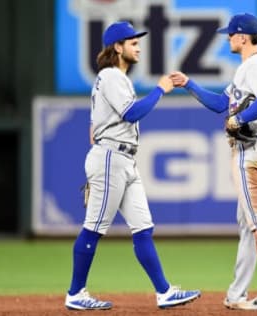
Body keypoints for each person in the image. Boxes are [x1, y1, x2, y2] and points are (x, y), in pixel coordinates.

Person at [65, 21, 201, 310]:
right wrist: (160, 89)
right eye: (133, 42)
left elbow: (94, 128)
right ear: (117, 47)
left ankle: (163, 292)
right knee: (94, 227)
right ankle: (75, 293)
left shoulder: (116, 79)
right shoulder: (112, 75)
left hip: (123, 159)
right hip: (112, 158)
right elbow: (131, 113)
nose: (138, 47)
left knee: (143, 228)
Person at [170, 13, 257, 310]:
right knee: (248, 224)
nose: (227, 38)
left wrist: (241, 118)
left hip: (253, 152)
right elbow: (221, 104)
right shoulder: (246, 68)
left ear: (243, 37)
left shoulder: (256, 65)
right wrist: (189, 84)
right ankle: (236, 294)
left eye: (231, 34)